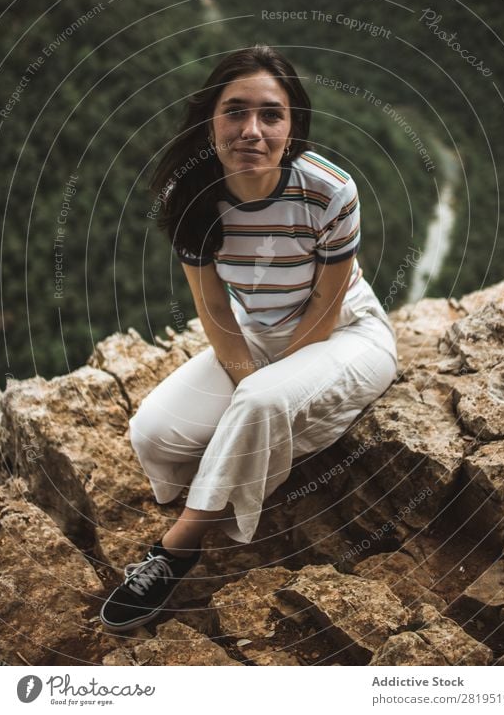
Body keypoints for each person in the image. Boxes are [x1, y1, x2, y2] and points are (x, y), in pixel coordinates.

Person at [100, 44, 398, 632]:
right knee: (154, 435)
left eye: (271, 114)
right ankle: (250, 457)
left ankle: (178, 547)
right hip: (257, 334)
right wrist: (253, 382)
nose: (252, 129)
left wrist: (260, 395)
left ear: (294, 125)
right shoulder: (188, 196)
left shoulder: (329, 190)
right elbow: (214, 308)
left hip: (346, 335)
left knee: (261, 403)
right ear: (210, 119)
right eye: (235, 111)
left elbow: (324, 306)